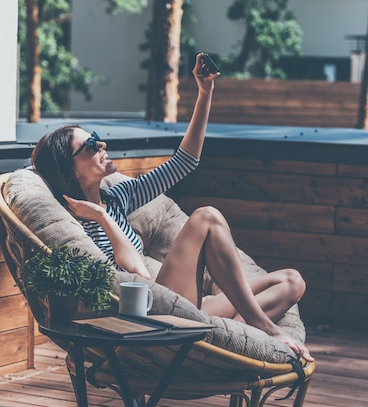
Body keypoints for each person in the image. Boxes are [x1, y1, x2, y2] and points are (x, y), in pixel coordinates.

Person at [31, 53, 313, 362]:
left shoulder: (118, 197)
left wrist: (205, 92)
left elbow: (185, 162)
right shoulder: (76, 223)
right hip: (151, 310)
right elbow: (135, 273)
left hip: (178, 302)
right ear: (71, 171)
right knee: (206, 217)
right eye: (90, 145)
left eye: (97, 138)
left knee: (291, 281)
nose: (101, 145)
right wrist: (101, 218)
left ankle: (221, 345)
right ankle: (262, 328)